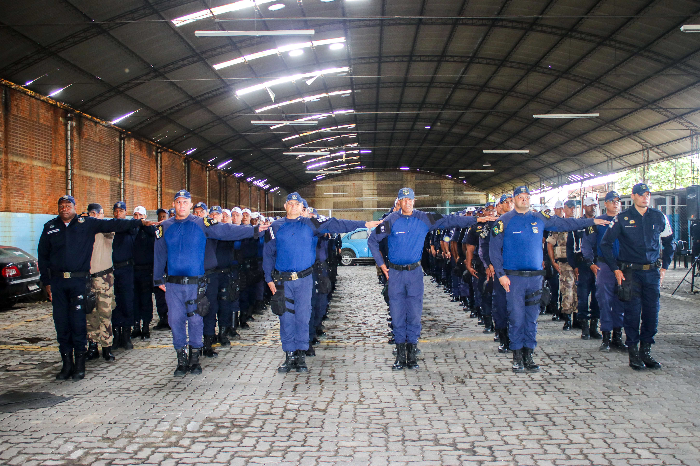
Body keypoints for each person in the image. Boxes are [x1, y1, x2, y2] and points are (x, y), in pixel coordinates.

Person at [369, 187, 494, 371]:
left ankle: (411, 353)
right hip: (395, 274)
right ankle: (399, 353)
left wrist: (476, 219)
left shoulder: (424, 218)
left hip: (414, 273)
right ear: (399, 202)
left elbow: (450, 220)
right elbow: (372, 240)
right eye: (403, 200)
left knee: (414, 313)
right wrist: (382, 265)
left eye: (410, 199)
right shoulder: (391, 220)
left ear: (414, 201)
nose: (407, 203)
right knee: (396, 313)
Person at [489, 186, 609, 373]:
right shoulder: (504, 221)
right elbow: (494, 250)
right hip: (514, 279)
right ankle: (517, 356)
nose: (524, 200)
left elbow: (565, 224)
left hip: (535, 278)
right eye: (520, 197)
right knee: (516, 318)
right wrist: (501, 274)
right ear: (514, 199)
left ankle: (529, 354)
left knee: (531, 319)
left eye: (527, 196)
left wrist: (591, 221)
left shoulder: (539, 218)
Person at [38, 195, 151, 380]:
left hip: (79, 282)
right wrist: (46, 282)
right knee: (61, 323)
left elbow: (116, 224)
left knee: (79, 322)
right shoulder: (51, 227)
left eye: (68, 205)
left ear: (74, 207)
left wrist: (138, 223)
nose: (65, 208)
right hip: (58, 283)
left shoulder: (86, 224)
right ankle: (67, 364)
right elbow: (42, 255)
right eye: (61, 206)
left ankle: (80, 364)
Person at [154, 191, 266, 377]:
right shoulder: (164, 227)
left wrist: (253, 230)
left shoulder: (201, 224)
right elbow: (159, 253)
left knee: (196, 320)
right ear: (174, 204)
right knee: (176, 320)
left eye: (185, 202)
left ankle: (195, 357)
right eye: (178, 202)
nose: (181, 205)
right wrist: (158, 278)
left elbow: (226, 230)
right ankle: (181, 360)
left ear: (190, 206)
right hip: (173, 284)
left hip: (196, 283)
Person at [264, 193, 378, 374]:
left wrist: (364, 224)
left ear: (302, 207)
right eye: (290, 204)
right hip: (283, 281)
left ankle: (301, 355)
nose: (293, 206)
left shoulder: (311, 224)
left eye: (297, 204)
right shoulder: (275, 227)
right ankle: (289, 355)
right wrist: (268, 279)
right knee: (285, 318)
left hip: (304, 279)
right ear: (285, 206)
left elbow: (336, 224)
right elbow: (268, 253)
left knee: (302, 317)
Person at [600, 183, 675, 371]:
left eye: (648, 195)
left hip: (651, 273)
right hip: (630, 274)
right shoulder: (622, 218)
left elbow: (669, 243)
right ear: (633, 196)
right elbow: (605, 244)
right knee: (632, 314)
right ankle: (633, 353)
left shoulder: (659, 217)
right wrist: (615, 269)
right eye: (641, 195)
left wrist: (664, 267)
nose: (645, 198)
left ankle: (646, 351)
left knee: (651, 313)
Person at [581, 191, 626, 352]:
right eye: (611, 201)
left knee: (621, 301)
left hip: (623, 266)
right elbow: (586, 244)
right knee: (604, 301)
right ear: (605, 204)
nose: (615, 203)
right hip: (604, 265)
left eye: (617, 201)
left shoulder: (625, 220)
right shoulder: (598, 222)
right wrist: (591, 263)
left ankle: (617, 337)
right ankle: (606, 336)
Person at [85, 203, 117, 362]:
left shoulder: (106, 229)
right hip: (88, 278)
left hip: (104, 278)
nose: (95, 216)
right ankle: (92, 345)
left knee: (105, 313)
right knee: (90, 314)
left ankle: (107, 347)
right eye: (92, 213)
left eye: (98, 214)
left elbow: (111, 230)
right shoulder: (84, 231)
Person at [568, 197, 602, 340]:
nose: (592, 208)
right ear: (584, 207)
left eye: (594, 205)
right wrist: (574, 265)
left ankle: (594, 326)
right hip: (582, 265)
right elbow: (570, 246)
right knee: (582, 296)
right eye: (590, 205)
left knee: (597, 296)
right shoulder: (578, 224)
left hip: (598, 264)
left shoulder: (600, 223)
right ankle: (584, 327)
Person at [546, 200, 578, 330]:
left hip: (578, 262)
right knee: (567, 291)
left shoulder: (578, 224)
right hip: (564, 262)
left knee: (578, 291)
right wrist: (553, 261)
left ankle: (578, 318)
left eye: (573, 208)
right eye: (569, 208)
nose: (572, 210)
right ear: (564, 209)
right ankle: (568, 319)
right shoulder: (558, 225)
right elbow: (549, 243)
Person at [111, 201, 138, 350]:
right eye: (115, 211)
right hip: (112, 270)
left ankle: (126, 335)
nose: (118, 213)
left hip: (127, 268)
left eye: (121, 211)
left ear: (125, 212)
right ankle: (116, 335)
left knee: (127, 302)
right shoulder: (109, 228)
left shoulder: (129, 228)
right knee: (114, 303)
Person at [132, 206, 157, 340]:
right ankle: (136, 326)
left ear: (145, 216)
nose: (137, 218)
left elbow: (155, 236)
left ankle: (146, 326)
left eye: (140, 215)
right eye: (135, 215)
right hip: (133, 269)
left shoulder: (149, 230)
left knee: (146, 299)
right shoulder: (132, 229)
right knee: (135, 299)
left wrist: (145, 225)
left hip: (147, 270)